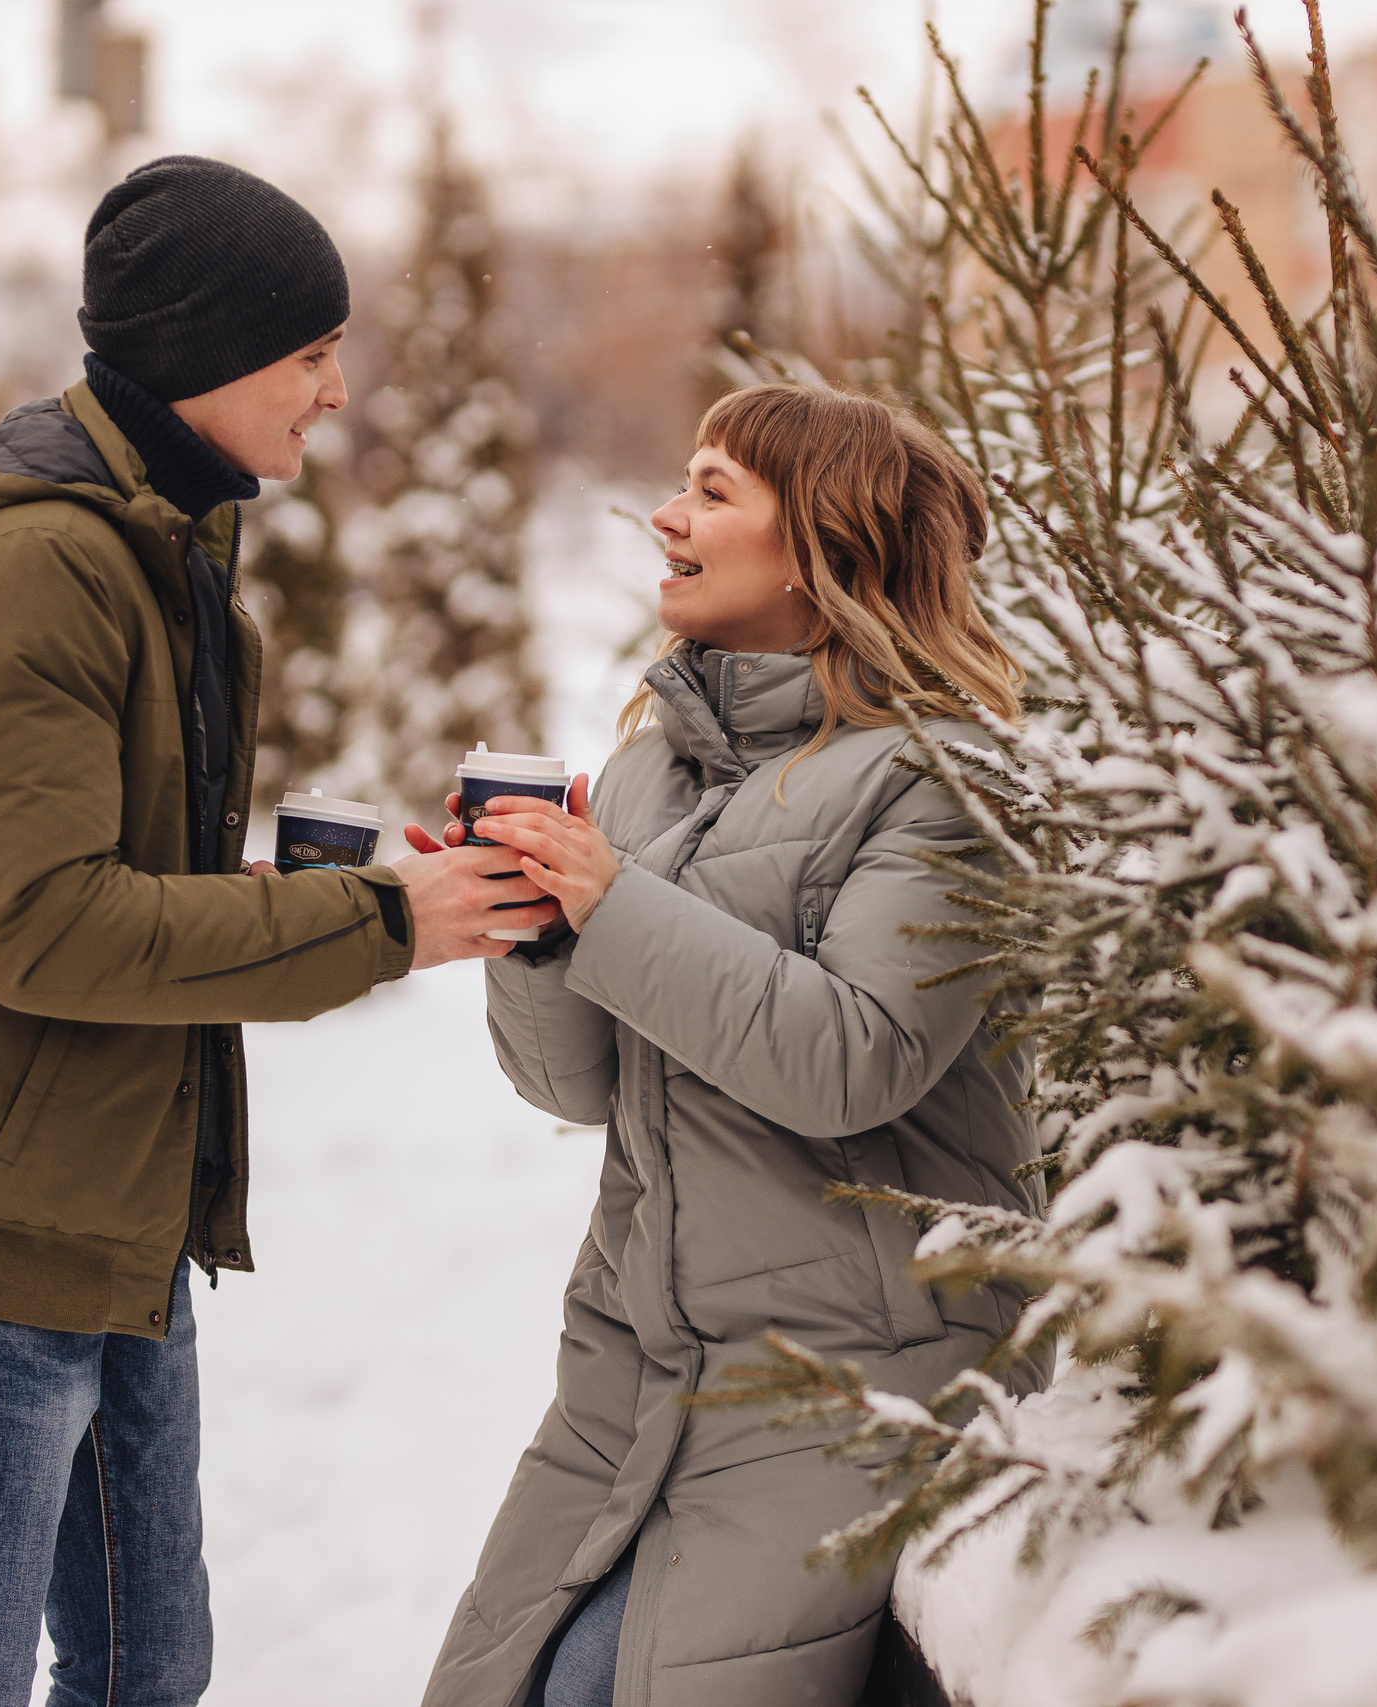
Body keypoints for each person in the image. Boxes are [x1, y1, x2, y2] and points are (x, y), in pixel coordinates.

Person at [0, 155, 555, 1707]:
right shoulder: (36, 566)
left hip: (109, 1200)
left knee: (148, 1664)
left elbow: (82, 871)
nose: (339, 393)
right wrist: (376, 925)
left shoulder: (156, 541)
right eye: (314, 353)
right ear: (205, 356)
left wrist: (265, 902)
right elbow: (42, 931)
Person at [414, 384, 1045, 1707]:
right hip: (642, 1364)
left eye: (711, 491)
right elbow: (571, 1084)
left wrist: (612, 902)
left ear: (825, 545)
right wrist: (531, 930)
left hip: (862, 1373)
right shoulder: (654, 770)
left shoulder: (940, 779)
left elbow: (850, 1058)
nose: (665, 515)